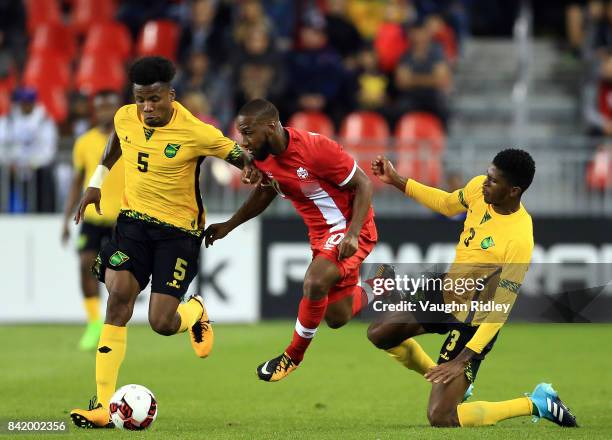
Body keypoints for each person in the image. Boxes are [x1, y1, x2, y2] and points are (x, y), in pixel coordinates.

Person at [69, 56, 258, 428]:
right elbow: (116, 141)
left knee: (161, 321)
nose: (147, 108)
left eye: (154, 99)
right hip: (133, 225)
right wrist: (96, 181)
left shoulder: (195, 131)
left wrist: (250, 167)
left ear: (170, 95)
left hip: (178, 235)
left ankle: (195, 311)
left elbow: (236, 154)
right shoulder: (126, 116)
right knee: (118, 297)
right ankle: (104, 405)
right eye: (141, 99)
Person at [366, 149, 578, 428]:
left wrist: (462, 359)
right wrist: (396, 180)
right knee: (379, 333)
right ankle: (446, 378)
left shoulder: (519, 239)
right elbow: (445, 203)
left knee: (441, 418)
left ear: (514, 190)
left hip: (475, 320)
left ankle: (537, 402)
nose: (484, 183)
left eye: (493, 181)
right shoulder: (479, 190)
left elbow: (500, 309)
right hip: (446, 290)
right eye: (487, 176)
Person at [204, 98, 376, 382]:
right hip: (320, 236)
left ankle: (292, 356)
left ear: (271, 126)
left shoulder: (316, 149)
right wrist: (229, 225)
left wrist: (354, 233)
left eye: (248, 132)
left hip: (350, 227)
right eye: (240, 133)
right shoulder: (262, 156)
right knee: (337, 317)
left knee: (314, 282)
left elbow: (364, 184)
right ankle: (381, 283)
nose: (243, 141)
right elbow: (264, 192)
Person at [61, 90, 124, 351]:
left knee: (118, 276)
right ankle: (93, 323)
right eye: (100, 107)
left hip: (122, 218)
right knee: (85, 265)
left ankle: (113, 326)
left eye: (110, 106)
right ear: (94, 111)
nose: (105, 112)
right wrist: (65, 218)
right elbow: (78, 182)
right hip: (91, 218)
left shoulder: (128, 140)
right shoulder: (84, 142)